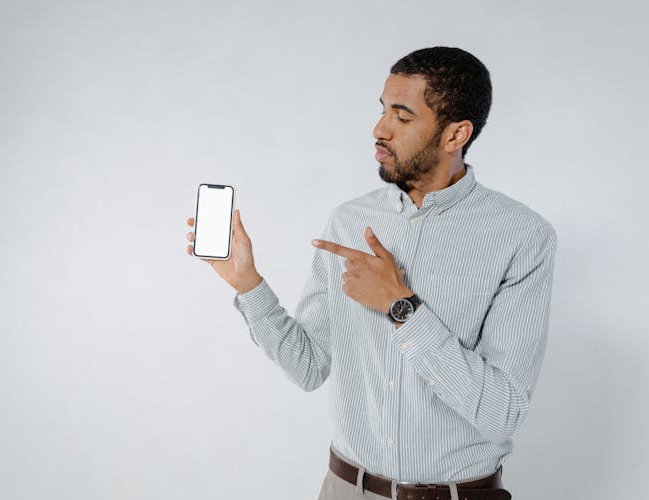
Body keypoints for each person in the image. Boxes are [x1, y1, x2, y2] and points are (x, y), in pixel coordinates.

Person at [185, 46, 557, 500]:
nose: (379, 130)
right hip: (345, 490)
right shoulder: (349, 221)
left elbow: (502, 412)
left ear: (455, 134)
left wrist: (402, 307)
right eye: (383, 111)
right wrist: (247, 284)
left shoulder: (522, 236)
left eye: (402, 117)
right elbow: (308, 368)